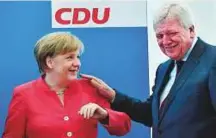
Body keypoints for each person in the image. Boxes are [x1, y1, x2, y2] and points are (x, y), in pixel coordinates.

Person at [80, 3, 216, 138]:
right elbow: (150, 115)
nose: (166, 41)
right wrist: (113, 96)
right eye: (159, 36)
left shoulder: (212, 60)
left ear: (191, 30)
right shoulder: (164, 69)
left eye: (172, 33)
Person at [2, 32, 131, 138]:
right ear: (50, 62)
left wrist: (105, 115)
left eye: (78, 57)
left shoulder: (90, 88)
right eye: (70, 58)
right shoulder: (24, 94)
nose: (77, 63)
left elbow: (124, 127)